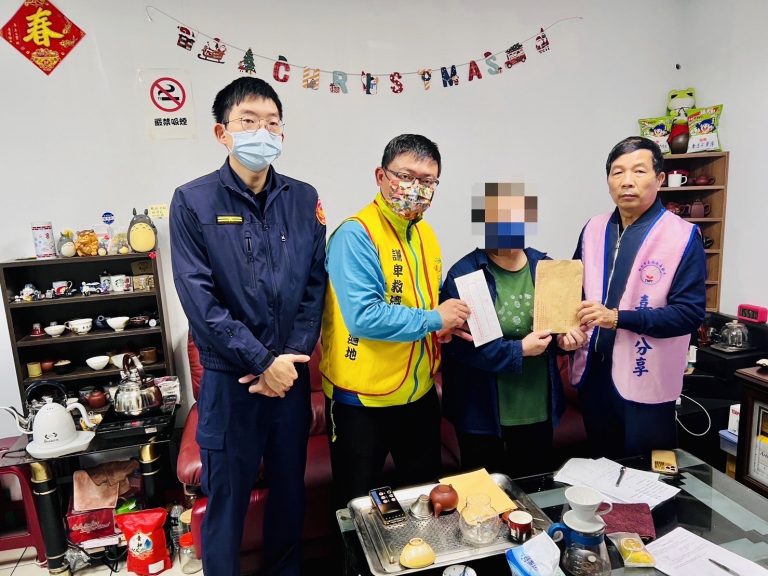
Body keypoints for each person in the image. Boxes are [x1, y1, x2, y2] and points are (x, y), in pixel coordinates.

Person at [169, 77, 327, 576]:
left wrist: (289, 361)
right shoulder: (192, 201)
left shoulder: (304, 199)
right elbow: (200, 301)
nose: (263, 131)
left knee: (289, 493)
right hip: (230, 382)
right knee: (227, 501)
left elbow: (314, 288)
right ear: (222, 132)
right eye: (249, 121)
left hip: (290, 379)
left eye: (272, 122)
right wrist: (261, 362)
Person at [320, 134, 471, 512]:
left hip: (418, 395)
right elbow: (364, 316)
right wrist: (435, 318)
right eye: (405, 176)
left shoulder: (424, 234)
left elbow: (424, 302)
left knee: (426, 502)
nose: (415, 188)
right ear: (381, 176)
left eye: (427, 181)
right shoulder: (356, 234)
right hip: (362, 400)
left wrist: (442, 325)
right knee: (357, 509)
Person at [570, 136, 706, 459]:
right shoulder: (593, 228)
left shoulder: (683, 236)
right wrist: (567, 330)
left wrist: (618, 318)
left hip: (647, 379)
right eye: (617, 172)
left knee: (646, 474)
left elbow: (689, 314)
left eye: (639, 171)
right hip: (594, 375)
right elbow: (574, 292)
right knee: (600, 468)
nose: (627, 181)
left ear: (660, 179)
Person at [440, 184, 587, 478]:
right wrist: (519, 350)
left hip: (537, 404)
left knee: (535, 488)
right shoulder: (465, 274)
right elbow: (460, 347)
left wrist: (567, 341)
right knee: (483, 496)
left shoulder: (546, 268)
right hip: (480, 411)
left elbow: (559, 333)